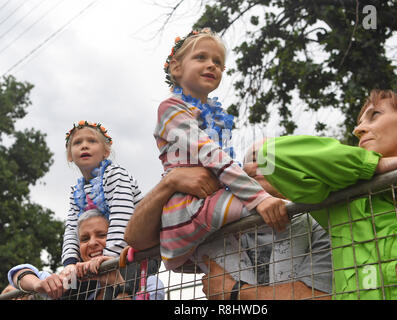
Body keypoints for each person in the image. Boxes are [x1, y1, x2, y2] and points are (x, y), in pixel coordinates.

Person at [252, 90, 397, 300]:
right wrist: (380, 165)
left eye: (375, 114)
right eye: (360, 122)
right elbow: (269, 155)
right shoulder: (349, 199)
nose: (358, 129)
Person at [153, 27, 289, 282]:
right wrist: (259, 197)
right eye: (201, 57)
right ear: (176, 68)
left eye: (218, 62)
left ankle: (280, 288)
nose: (211, 65)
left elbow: (221, 160)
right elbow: (210, 155)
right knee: (282, 215)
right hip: (191, 206)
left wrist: (244, 170)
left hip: (215, 205)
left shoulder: (213, 115)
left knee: (244, 281)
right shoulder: (171, 108)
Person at [201, 143, 333, 300]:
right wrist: (171, 183)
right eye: (253, 159)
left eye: (270, 159)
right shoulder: (228, 233)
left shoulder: (320, 222)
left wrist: (234, 292)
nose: (260, 164)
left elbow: (321, 297)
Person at [7, 208, 164, 300]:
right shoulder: (74, 279)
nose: (92, 243)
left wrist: (117, 282)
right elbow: (18, 272)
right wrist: (37, 284)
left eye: (101, 235)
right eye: (84, 239)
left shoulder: (145, 279)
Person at [61, 120, 143, 278]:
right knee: (69, 285)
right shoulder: (76, 191)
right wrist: (70, 263)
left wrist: (109, 258)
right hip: (101, 260)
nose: (84, 145)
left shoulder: (115, 175)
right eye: (77, 142)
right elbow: (72, 230)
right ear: (70, 156)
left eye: (92, 141)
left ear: (106, 152)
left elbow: (122, 217)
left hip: (134, 254)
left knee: (121, 291)